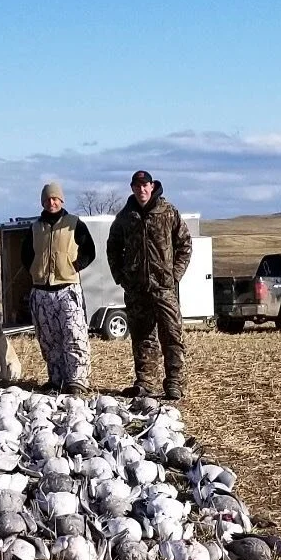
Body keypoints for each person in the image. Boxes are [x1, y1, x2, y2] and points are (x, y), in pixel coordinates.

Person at [106, 169, 193, 400]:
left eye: (145, 186)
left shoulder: (168, 212)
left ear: (152, 186)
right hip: (136, 289)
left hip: (164, 288)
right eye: (137, 186)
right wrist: (121, 276)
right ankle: (145, 382)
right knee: (142, 337)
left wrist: (174, 274)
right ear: (132, 188)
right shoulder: (126, 217)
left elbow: (184, 243)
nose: (141, 190)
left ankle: (174, 382)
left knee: (172, 334)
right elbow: (113, 247)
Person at [19, 181, 96, 394]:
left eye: (55, 198)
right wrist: (35, 270)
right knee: (48, 339)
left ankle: (77, 381)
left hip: (67, 289)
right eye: (47, 199)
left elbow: (89, 250)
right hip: (42, 291)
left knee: (74, 334)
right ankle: (56, 379)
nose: (51, 202)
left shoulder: (74, 223)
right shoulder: (35, 227)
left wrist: (76, 265)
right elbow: (26, 254)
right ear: (42, 202)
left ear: (61, 200)